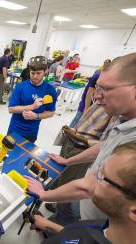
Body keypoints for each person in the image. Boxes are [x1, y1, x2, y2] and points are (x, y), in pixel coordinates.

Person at [27, 53, 136, 226]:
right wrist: (68, 160)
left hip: (98, 221)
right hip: (84, 203)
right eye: (98, 88)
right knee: (64, 212)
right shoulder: (123, 119)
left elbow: (89, 186)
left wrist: (44, 194)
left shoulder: (132, 140)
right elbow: (103, 145)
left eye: (107, 89)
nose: (97, 96)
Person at [31, 142, 136, 244]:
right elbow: (83, 233)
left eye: (103, 176)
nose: (93, 176)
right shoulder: (108, 225)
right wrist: (49, 225)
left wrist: (43, 194)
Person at [8, 56, 57, 143]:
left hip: (32, 133)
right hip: (14, 130)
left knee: (25, 156)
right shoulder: (21, 87)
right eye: (32, 73)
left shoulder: (50, 90)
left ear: (45, 71)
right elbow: (11, 109)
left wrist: (36, 116)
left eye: (38, 73)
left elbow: (51, 112)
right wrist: (32, 106)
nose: (35, 76)